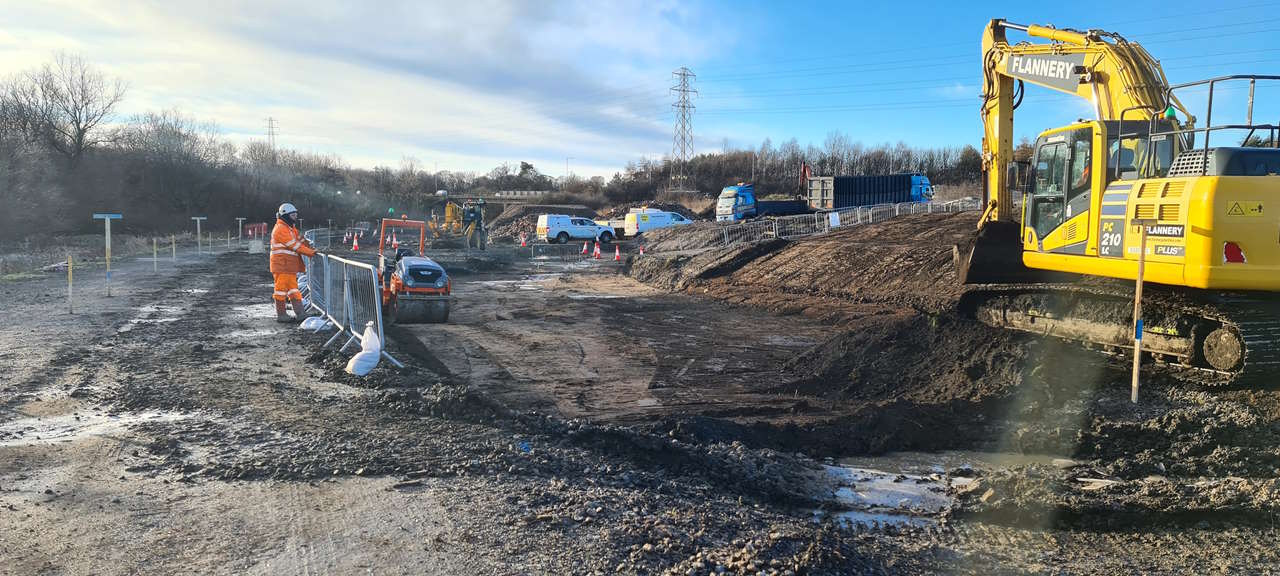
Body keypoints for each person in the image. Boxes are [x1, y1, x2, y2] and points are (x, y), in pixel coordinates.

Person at [269, 203, 317, 323]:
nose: (295, 217)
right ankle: (281, 315)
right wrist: (310, 252)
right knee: (280, 290)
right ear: (285, 215)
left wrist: (309, 245)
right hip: (282, 266)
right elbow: (295, 246)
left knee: (293, 291)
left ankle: (300, 313)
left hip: (288, 266)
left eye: (296, 214)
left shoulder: (290, 228)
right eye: (293, 214)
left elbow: (299, 240)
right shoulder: (280, 229)